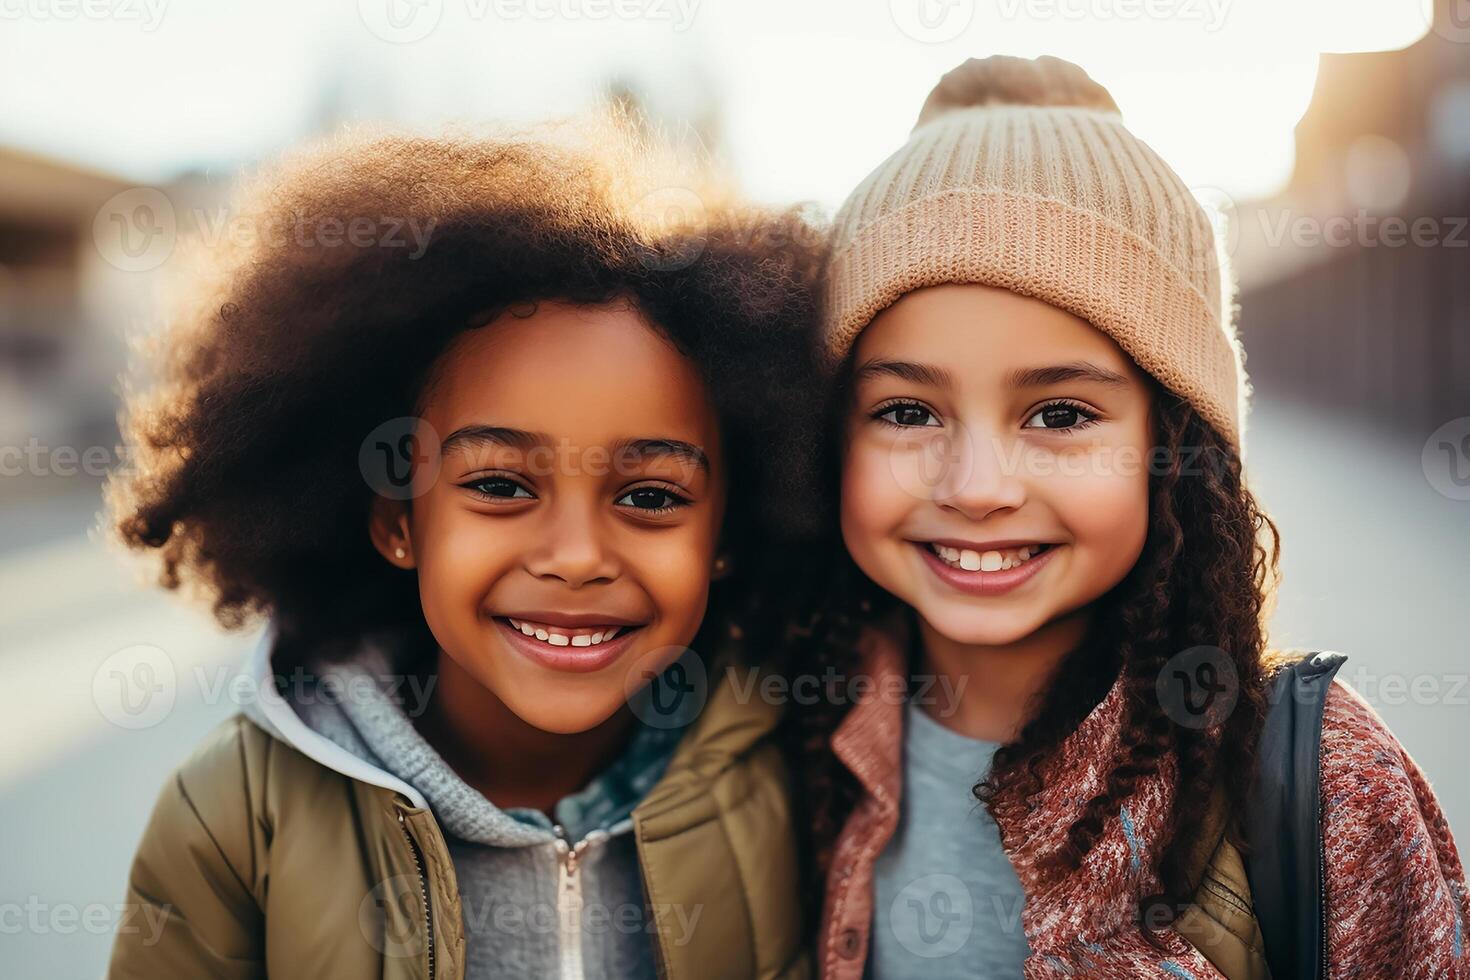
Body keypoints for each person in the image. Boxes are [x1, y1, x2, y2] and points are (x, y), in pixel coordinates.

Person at [792, 54, 1469, 978]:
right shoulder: (774, 742)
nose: (977, 486)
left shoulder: (1332, 791)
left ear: (1176, 450)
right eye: (907, 412)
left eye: (1060, 415)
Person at [104, 115, 823, 980]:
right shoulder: (233, 815)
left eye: (650, 496)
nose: (575, 555)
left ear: (725, 536)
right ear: (396, 519)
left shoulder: (788, 771)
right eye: (500, 486)